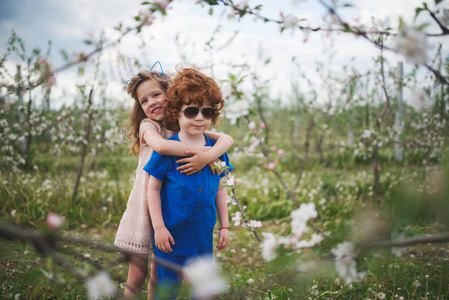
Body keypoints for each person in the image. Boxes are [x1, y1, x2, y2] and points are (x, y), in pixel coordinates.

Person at [114, 65, 234, 299]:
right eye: (144, 100)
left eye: (156, 94)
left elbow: (227, 139)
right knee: (136, 275)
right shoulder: (149, 126)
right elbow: (161, 147)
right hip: (144, 205)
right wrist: (203, 154)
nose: (151, 102)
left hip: (169, 205)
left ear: (170, 97)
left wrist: (209, 156)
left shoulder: (185, 124)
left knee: (159, 273)